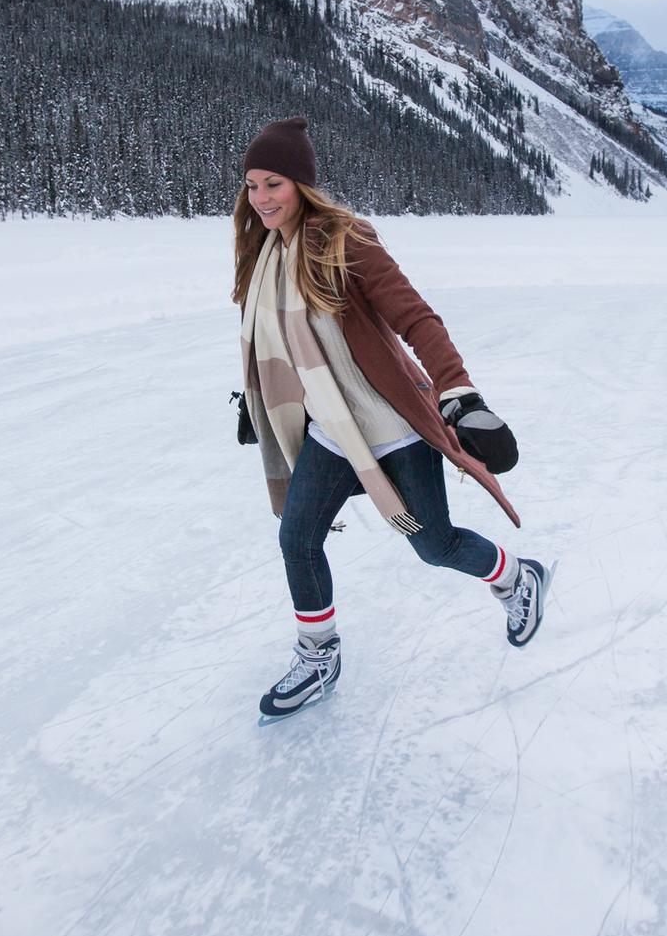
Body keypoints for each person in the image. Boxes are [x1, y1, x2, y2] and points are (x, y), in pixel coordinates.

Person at [233, 116, 549, 718]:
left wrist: (460, 393)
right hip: (330, 438)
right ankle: (318, 655)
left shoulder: (347, 242)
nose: (261, 198)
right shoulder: (263, 255)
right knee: (298, 538)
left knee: (431, 544)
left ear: (302, 185)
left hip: (393, 436)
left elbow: (416, 319)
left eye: (273, 183)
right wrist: (255, 402)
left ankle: (516, 578)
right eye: (251, 185)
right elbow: (269, 340)